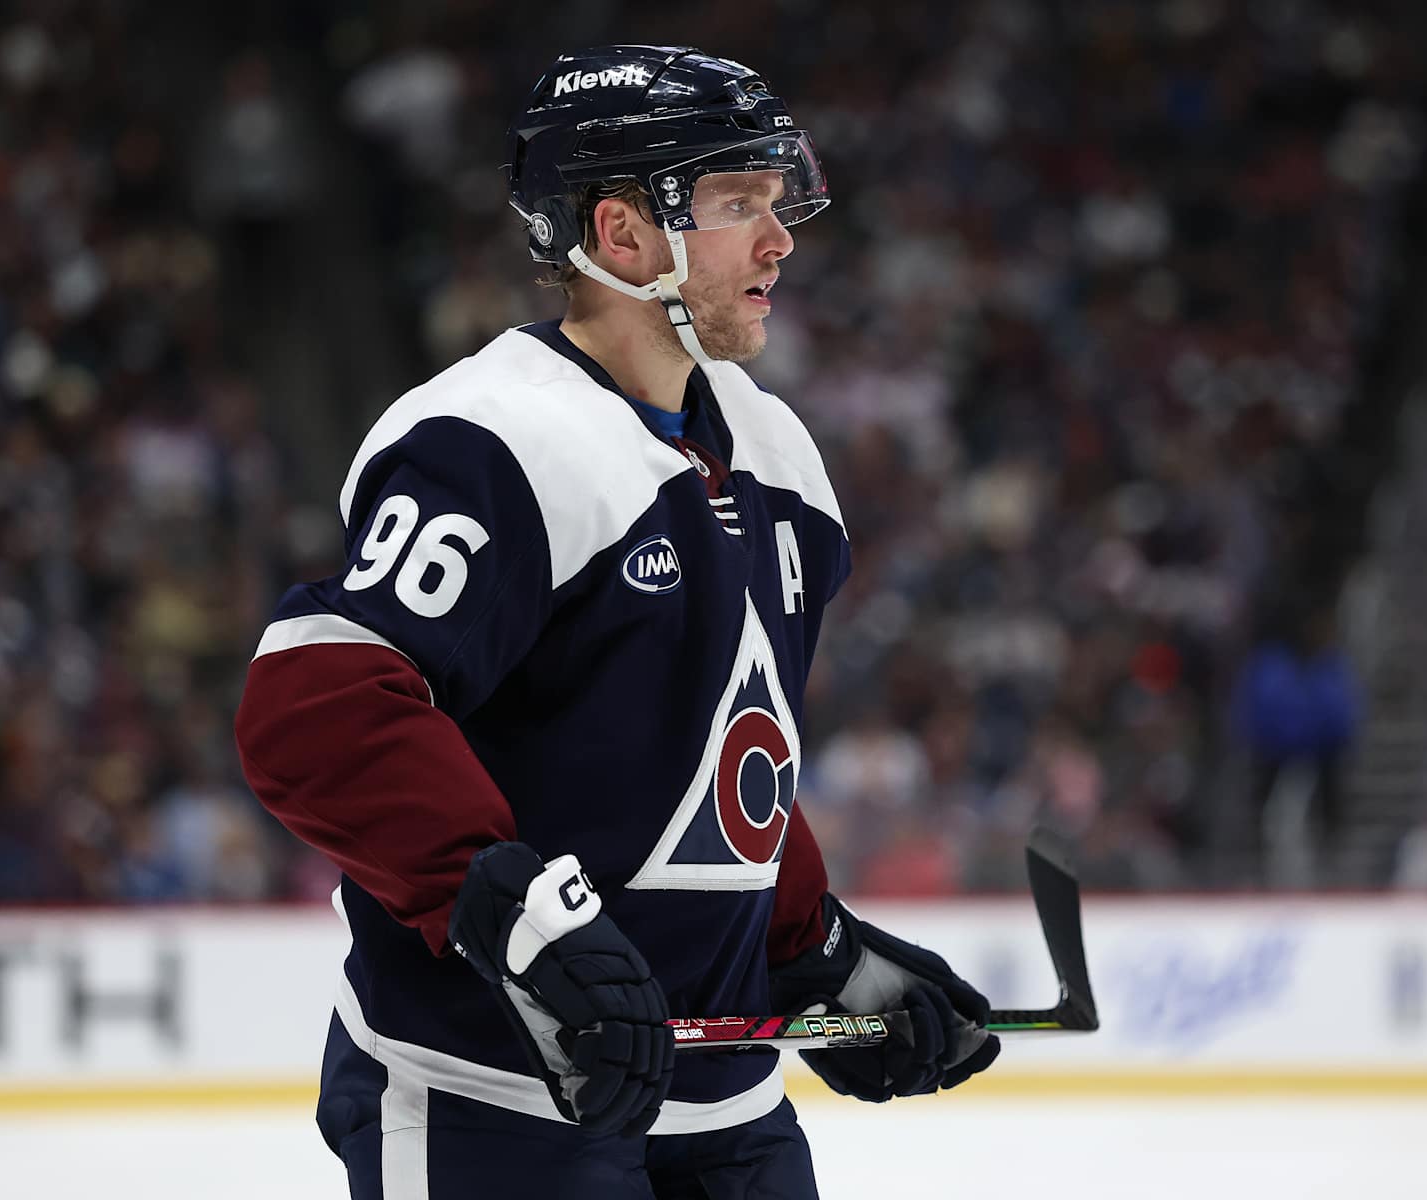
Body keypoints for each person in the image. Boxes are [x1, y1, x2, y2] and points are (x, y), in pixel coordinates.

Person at [234, 45, 1000, 1199]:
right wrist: (510, 911)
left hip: (729, 1107)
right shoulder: (491, 441)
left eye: (775, 200)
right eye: (739, 203)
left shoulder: (780, 458)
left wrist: (815, 949)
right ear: (623, 235)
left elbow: (716, 773)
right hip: (495, 1099)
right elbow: (319, 708)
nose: (779, 238)